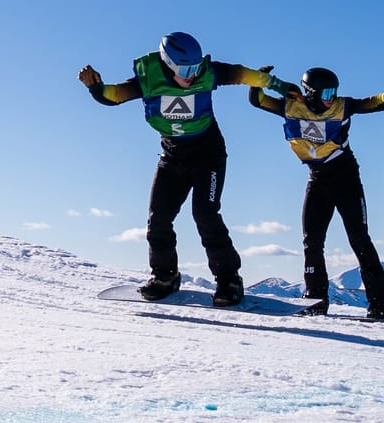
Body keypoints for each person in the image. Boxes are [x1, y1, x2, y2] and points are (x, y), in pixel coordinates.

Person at [79, 32, 288, 306]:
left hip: (208, 155)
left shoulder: (208, 73)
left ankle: (229, 280)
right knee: (159, 218)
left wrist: (277, 84)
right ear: (166, 64)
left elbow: (243, 75)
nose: (191, 75)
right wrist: (96, 87)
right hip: (173, 157)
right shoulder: (148, 79)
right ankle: (164, 277)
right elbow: (114, 96)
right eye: (184, 70)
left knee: (205, 214)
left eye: (195, 67)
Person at [251, 67, 384, 319]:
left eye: (335, 90)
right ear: (311, 92)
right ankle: (316, 297)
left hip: (345, 176)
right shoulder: (291, 106)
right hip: (317, 179)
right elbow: (257, 100)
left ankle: (380, 303)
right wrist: (258, 80)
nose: (332, 96)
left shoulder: (343, 106)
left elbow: (376, 104)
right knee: (312, 241)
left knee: (359, 238)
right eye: (327, 91)